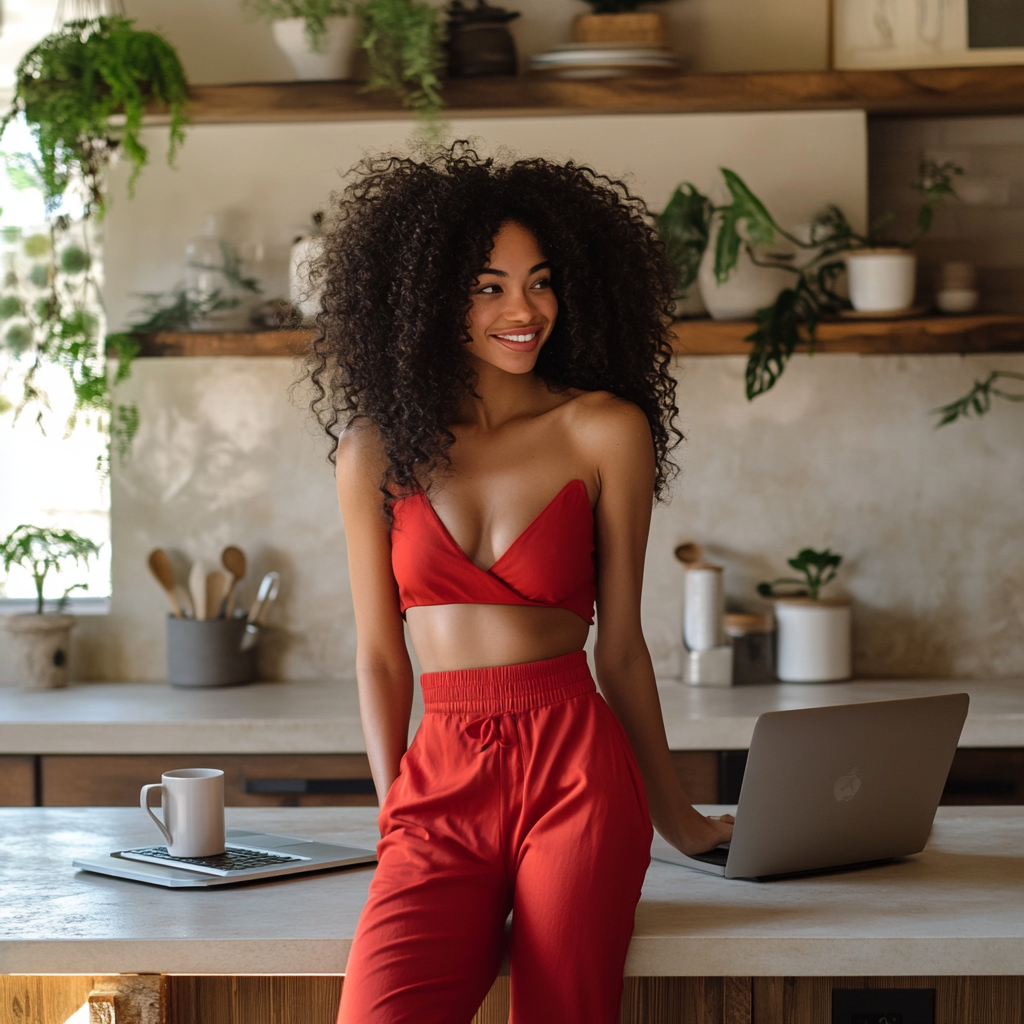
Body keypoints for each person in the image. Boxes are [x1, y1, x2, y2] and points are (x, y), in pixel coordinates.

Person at [307, 143, 734, 1024]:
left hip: (577, 767)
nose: (524, 309)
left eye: (541, 281)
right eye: (489, 285)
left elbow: (619, 649)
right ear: (428, 295)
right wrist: (395, 810)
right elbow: (381, 657)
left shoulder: (603, 430)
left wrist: (678, 816)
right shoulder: (373, 450)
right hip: (440, 780)